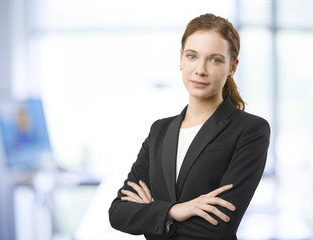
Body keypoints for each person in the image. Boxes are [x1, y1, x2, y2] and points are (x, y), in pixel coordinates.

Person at [109, 13, 270, 240]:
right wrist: (176, 211)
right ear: (181, 59)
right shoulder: (160, 131)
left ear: (232, 67)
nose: (200, 70)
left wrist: (153, 215)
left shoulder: (250, 130)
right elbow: (118, 213)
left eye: (215, 60)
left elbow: (219, 227)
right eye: (192, 56)